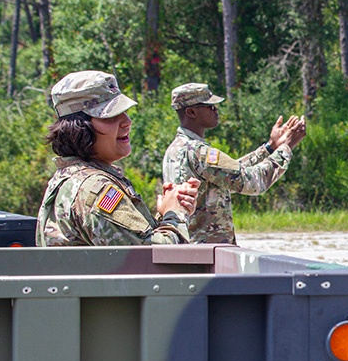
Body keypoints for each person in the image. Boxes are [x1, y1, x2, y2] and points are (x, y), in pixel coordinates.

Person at [37, 70, 200, 246]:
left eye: (123, 112)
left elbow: (129, 245)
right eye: (110, 115)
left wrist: (165, 212)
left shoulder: (72, 179)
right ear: (79, 128)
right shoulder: (96, 189)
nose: (126, 121)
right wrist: (175, 214)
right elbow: (153, 259)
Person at [161, 82, 306, 244]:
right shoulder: (198, 151)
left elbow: (231, 173)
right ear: (191, 112)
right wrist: (286, 148)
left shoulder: (175, 149)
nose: (215, 109)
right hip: (208, 252)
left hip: (191, 248)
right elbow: (252, 181)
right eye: (209, 106)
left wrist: (270, 148)